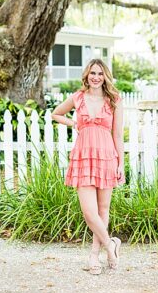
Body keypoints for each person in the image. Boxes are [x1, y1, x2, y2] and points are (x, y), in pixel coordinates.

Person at [51, 58, 125, 275]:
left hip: (106, 157)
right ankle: (111, 244)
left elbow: (118, 135)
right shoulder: (77, 98)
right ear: (87, 75)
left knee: (103, 210)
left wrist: (121, 163)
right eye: (92, 73)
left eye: (100, 74)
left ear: (105, 77)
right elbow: (56, 113)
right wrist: (74, 123)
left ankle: (95, 256)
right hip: (83, 157)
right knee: (89, 212)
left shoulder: (114, 100)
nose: (96, 77)